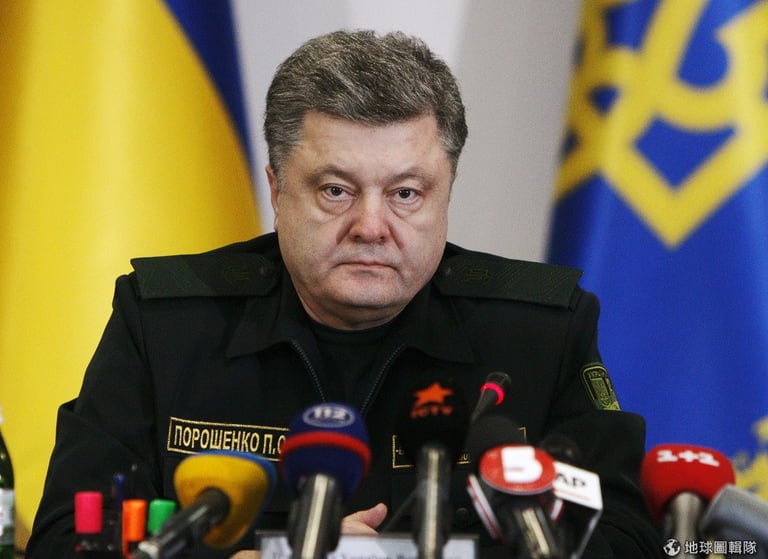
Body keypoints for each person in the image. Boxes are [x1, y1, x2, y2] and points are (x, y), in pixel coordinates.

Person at [27, 30, 662, 558]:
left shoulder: (539, 334)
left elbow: (629, 540)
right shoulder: (167, 324)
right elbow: (65, 540)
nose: (371, 226)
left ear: (446, 192)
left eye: (406, 193)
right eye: (336, 190)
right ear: (277, 190)